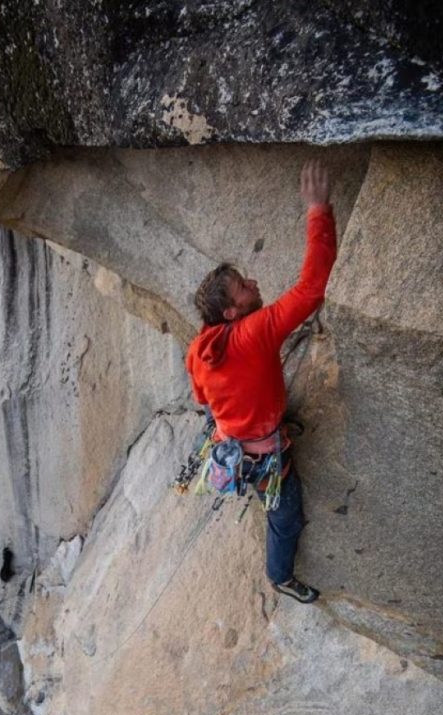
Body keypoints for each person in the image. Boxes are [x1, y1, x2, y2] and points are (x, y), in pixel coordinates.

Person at [185, 159, 337, 603]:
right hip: (260, 450)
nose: (253, 283)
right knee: (286, 516)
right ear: (232, 311)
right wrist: (318, 210)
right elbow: (312, 288)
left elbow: (201, 396)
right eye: (243, 289)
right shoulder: (255, 332)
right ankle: (280, 577)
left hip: (229, 435)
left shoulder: (200, 346)